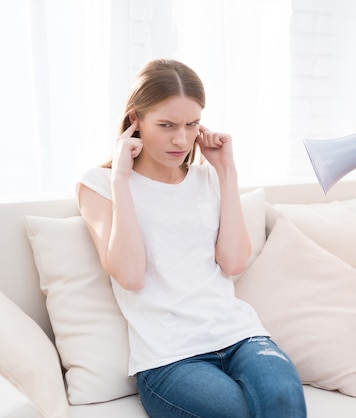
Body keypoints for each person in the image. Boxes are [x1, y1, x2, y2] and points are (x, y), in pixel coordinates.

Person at [77, 58, 306, 418]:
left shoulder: (207, 178)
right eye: (166, 125)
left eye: (191, 124)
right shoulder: (100, 185)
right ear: (135, 120)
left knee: (285, 403)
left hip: (241, 336)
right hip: (170, 358)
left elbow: (232, 262)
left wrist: (226, 171)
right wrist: (121, 178)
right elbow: (131, 275)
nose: (181, 139)